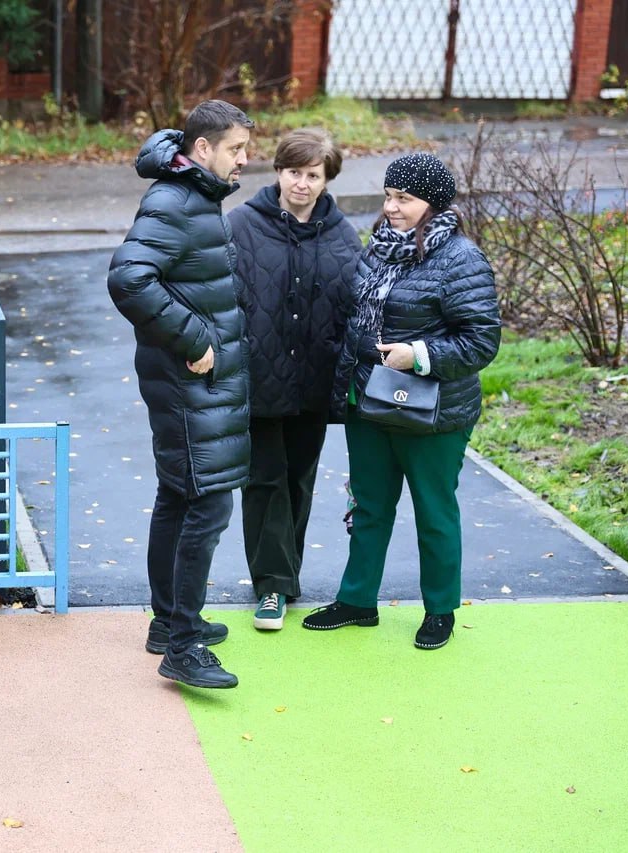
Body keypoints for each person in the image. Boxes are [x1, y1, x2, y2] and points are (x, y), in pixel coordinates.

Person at [302, 152, 501, 650]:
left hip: (433, 412)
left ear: (432, 204)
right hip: (369, 402)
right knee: (368, 506)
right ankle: (357, 600)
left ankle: (440, 610)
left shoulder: (461, 259)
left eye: (403, 199)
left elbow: (481, 341)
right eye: (388, 196)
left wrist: (420, 355)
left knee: (434, 512)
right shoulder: (379, 248)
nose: (390, 207)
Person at [107, 100, 253, 689]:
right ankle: (184, 645)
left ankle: (169, 622)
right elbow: (128, 277)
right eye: (236, 149)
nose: (244, 159)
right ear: (203, 149)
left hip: (192, 381)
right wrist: (194, 337)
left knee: (179, 493)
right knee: (208, 503)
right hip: (188, 380)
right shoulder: (176, 201)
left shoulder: (195, 196)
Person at [227, 128, 362, 632]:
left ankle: (285, 576)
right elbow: (223, 299)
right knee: (264, 480)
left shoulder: (343, 235)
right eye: (293, 172)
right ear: (278, 172)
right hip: (259, 377)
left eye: (313, 175)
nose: (301, 184)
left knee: (298, 479)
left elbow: (355, 307)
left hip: (314, 380)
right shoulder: (241, 225)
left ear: (327, 180)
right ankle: (272, 586)